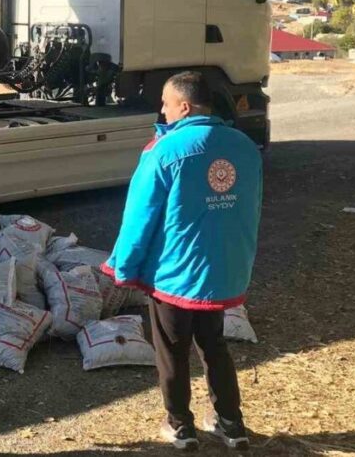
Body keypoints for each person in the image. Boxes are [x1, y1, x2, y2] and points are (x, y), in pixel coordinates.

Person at [101, 71, 262, 451]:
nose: (162, 108)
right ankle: (231, 424)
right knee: (214, 345)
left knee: (172, 349)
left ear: (184, 106)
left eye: (165, 102)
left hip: (174, 274)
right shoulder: (244, 147)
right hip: (222, 269)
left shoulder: (166, 151)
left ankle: (180, 426)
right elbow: (250, 209)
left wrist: (123, 266)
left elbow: (140, 216)